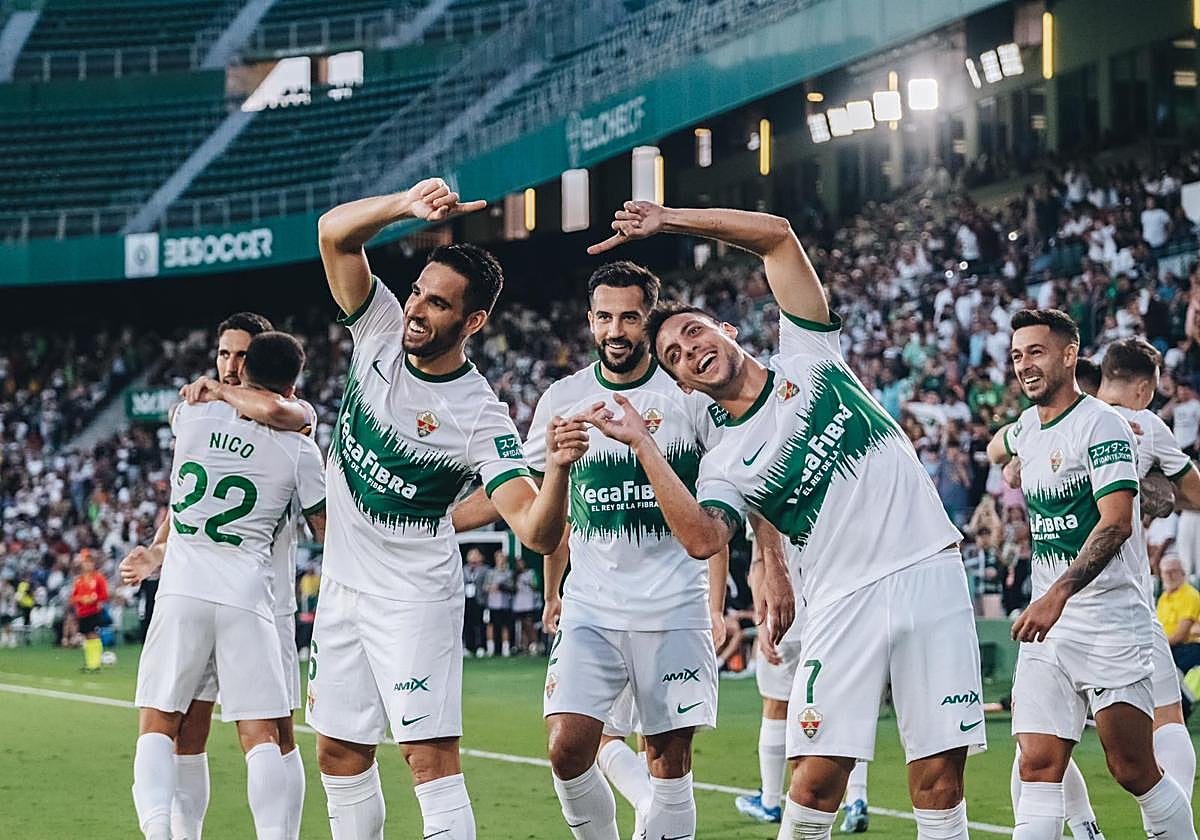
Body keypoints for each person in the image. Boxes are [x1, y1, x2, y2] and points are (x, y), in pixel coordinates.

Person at [585, 201, 983, 840]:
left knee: (938, 780)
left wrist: (670, 221)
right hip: (840, 601)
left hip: (929, 570)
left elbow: (779, 236)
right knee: (813, 784)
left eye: (693, 334)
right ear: (684, 386)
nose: (689, 351)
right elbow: (703, 537)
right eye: (675, 356)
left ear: (727, 330)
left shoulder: (809, 354)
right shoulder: (724, 462)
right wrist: (642, 443)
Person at [453, 258, 792, 840]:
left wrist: (769, 561)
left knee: (667, 761)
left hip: (675, 608)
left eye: (630, 317)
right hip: (594, 606)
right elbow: (519, 488)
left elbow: (744, 479)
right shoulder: (566, 397)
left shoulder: (688, 395)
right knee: (566, 747)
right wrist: (436, 520)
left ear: (647, 320)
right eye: (605, 317)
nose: (616, 330)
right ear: (590, 320)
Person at [309, 178, 588, 840]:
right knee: (338, 752)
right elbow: (331, 232)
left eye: (437, 304)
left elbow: (535, 529)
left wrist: (556, 470)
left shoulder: (479, 416)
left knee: (428, 761)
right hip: (343, 586)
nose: (415, 310)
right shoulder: (377, 327)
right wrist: (404, 206)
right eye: (416, 293)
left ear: (473, 321)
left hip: (412, 596)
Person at [987, 309, 1196, 839]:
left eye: (1036, 352)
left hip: (1110, 622)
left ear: (1069, 355)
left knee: (1133, 770)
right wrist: (1005, 449)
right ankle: (1081, 828)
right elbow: (999, 451)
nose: (1025, 365)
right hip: (1049, 630)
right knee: (1036, 766)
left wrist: (1057, 594)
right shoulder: (1028, 427)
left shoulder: (1102, 424)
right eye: (1016, 356)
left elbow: (1117, 524)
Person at [121, 311, 316, 840]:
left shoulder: (197, 416)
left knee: (185, 724)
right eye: (222, 354)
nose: (228, 366)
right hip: (244, 593)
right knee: (217, 731)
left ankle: (164, 830)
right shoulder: (298, 442)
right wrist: (158, 551)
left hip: (230, 598)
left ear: (254, 362)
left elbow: (274, 411)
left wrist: (213, 394)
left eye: (240, 356)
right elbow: (182, 505)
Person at [734, 529, 873, 832]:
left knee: (776, 705)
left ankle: (771, 800)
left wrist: (762, 622)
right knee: (845, 706)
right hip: (833, 615)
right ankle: (857, 798)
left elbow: (760, 560)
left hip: (785, 616)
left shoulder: (763, 486)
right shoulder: (834, 486)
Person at [1159, 554, 1200, 674]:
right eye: (1166, 572)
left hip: (1186, 648)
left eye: (1173, 571)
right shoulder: (1163, 598)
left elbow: (1180, 636)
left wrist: (1159, 647)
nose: (1169, 576)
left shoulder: (1189, 595)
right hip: (1169, 648)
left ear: (1183, 573)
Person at [69, 548, 108, 672]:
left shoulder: (98, 578)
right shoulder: (79, 580)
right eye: (85, 562)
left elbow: (105, 595)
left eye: (90, 562)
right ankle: (90, 663)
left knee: (93, 636)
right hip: (82, 612)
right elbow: (73, 597)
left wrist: (94, 598)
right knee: (86, 637)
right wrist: (81, 598)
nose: (88, 564)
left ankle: (95, 664)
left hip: (94, 612)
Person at [484, 551, 515, 657]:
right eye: (499, 557)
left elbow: (512, 587)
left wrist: (502, 587)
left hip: (505, 604)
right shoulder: (490, 572)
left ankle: (505, 649)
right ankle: (490, 649)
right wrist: (491, 588)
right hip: (492, 604)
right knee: (491, 625)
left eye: (502, 557)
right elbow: (485, 587)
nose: (501, 559)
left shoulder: (508, 573)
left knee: (505, 626)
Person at [461, 549, 488, 657]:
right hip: (467, 599)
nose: (473, 557)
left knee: (480, 624)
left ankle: (481, 646)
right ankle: (468, 646)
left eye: (476, 555)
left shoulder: (485, 569)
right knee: (468, 624)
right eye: (471, 555)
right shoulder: (464, 569)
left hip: (479, 600)